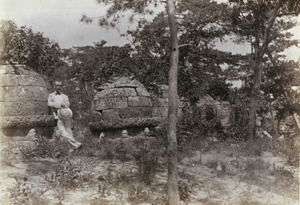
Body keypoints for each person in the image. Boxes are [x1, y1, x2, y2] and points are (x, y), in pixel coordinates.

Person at [48, 80, 82, 152]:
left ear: (61, 86)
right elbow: (49, 103)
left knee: (68, 130)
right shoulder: (51, 95)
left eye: (59, 86)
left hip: (66, 114)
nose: (58, 87)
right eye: (57, 85)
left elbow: (67, 105)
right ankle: (76, 144)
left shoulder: (65, 96)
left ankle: (73, 148)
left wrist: (62, 105)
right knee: (61, 131)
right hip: (57, 115)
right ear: (54, 86)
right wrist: (60, 104)